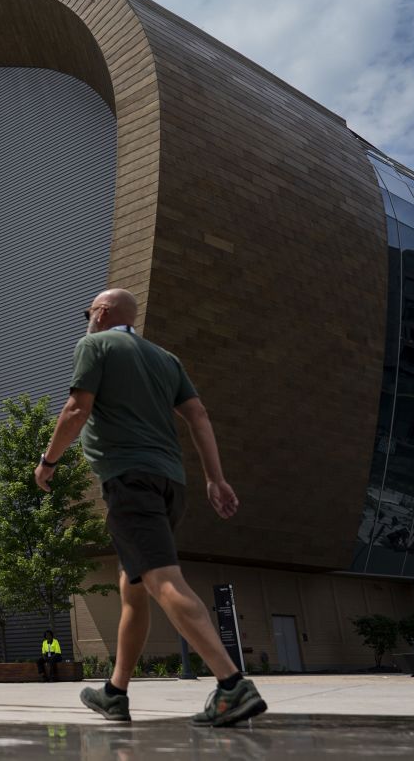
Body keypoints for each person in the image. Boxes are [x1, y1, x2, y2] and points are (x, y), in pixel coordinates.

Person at [34, 288, 266, 728]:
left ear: (101, 313)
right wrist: (215, 478)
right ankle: (115, 692)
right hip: (169, 483)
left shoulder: (94, 345)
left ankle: (233, 683)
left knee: (162, 580)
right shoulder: (165, 358)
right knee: (132, 587)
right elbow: (199, 416)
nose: (86, 319)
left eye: (88, 312)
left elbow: (76, 409)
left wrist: (48, 463)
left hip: (129, 480)